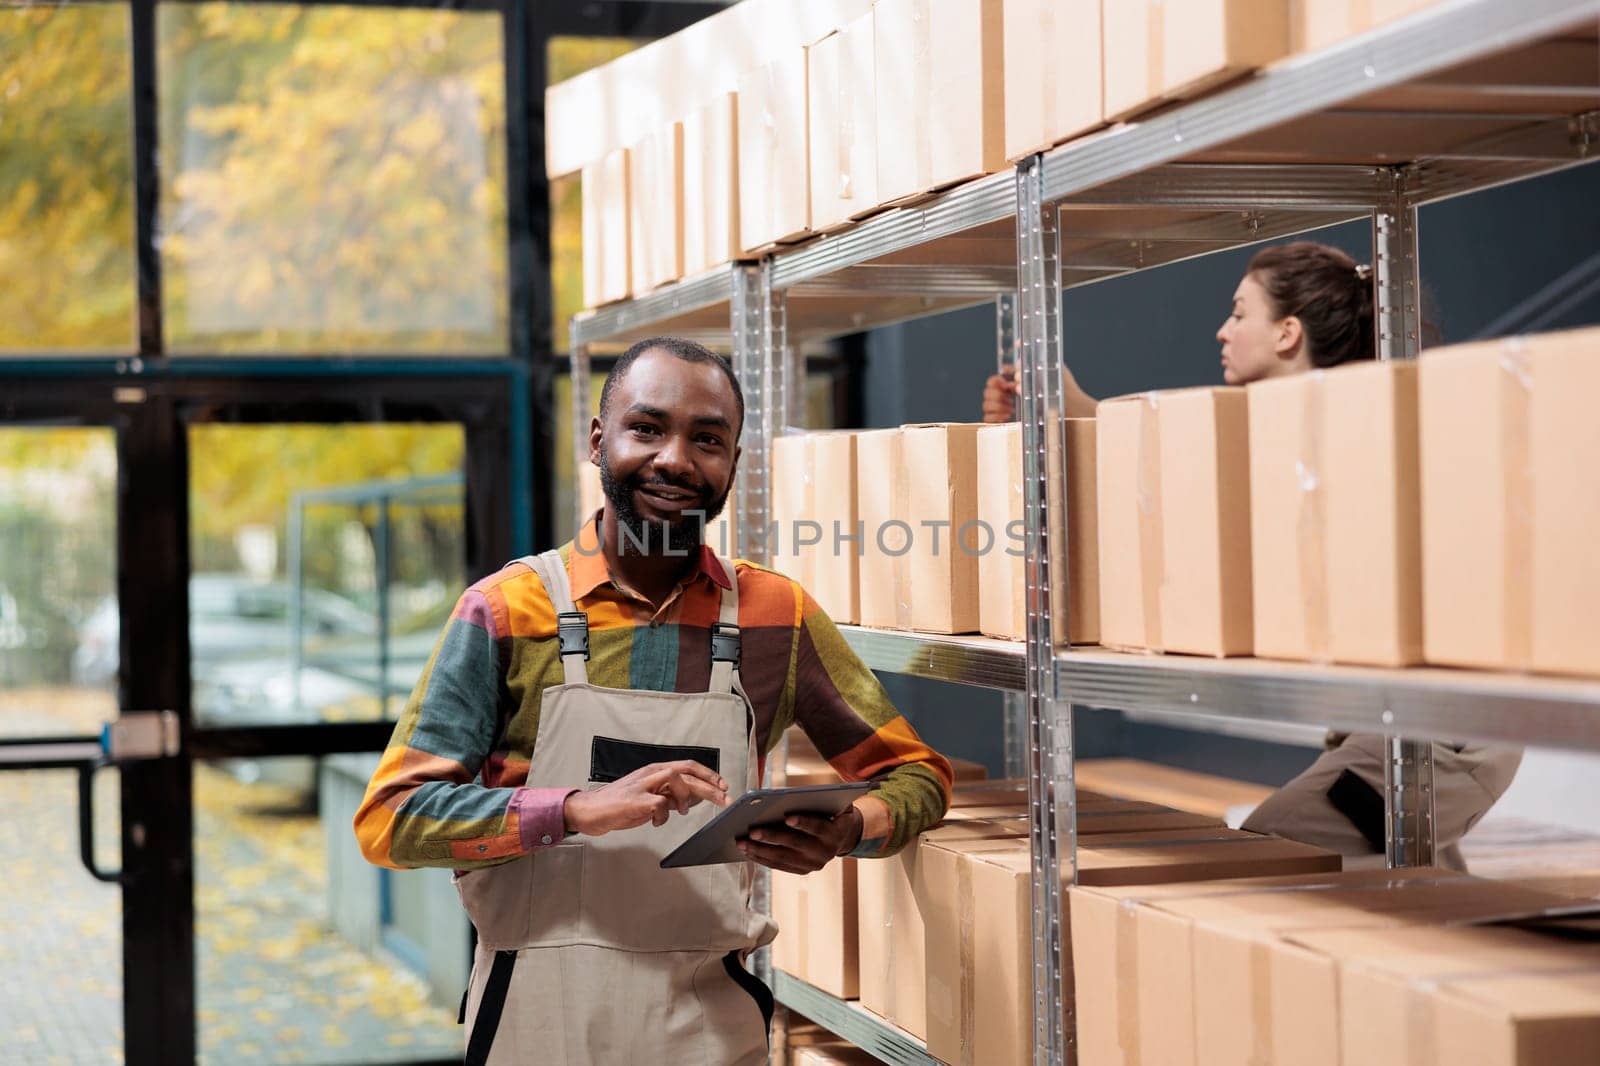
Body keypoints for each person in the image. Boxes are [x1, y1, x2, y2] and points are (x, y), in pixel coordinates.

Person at [356, 336, 954, 1065]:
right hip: (535, 1024)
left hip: (707, 1027)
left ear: (732, 464)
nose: (676, 458)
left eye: (707, 439)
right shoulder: (508, 610)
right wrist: (571, 810)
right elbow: (390, 819)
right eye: (649, 428)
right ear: (600, 441)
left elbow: (918, 775)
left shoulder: (776, 615)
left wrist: (848, 827)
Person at [982, 240, 1521, 870]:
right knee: (1395, 879)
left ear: (1288, 333)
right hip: (1392, 734)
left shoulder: (1338, 432)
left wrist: (1066, 408)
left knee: (1273, 853)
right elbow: (1174, 469)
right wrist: (1052, 412)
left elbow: (1180, 477)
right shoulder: (1279, 430)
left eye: (1240, 314)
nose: (1223, 330)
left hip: (1438, 745)